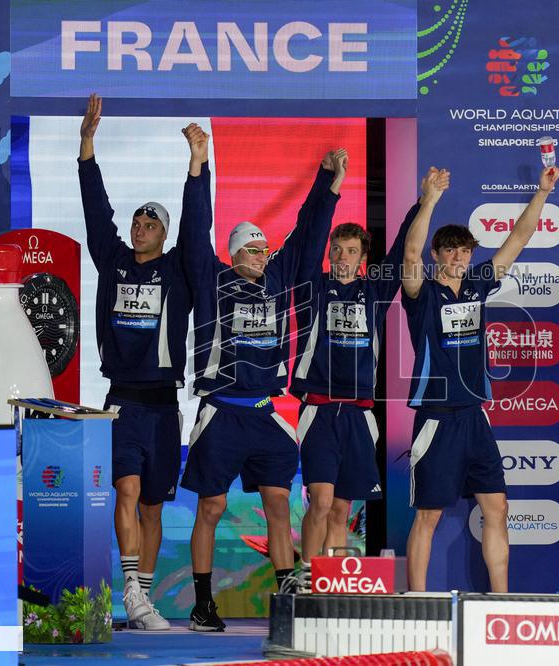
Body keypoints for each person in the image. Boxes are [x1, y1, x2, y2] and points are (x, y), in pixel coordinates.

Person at [178, 124, 346, 630]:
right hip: (222, 411)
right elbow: (193, 229)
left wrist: (328, 180)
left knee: (279, 504)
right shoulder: (212, 280)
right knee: (211, 507)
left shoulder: (276, 279)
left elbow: (308, 232)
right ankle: (204, 603)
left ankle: (288, 601)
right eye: (252, 248)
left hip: (267, 414)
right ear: (233, 253)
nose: (262, 254)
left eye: (264, 249)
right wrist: (198, 164)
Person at [281, 169, 448, 593]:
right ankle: (304, 580)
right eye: (336, 250)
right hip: (318, 410)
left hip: (359, 415)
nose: (340, 256)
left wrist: (423, 199)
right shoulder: (312, 288)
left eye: (350, 251)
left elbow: (399, 251)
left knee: (341, 507)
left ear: (362, 259)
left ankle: (329, 586)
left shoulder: (375, 290)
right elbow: (310, 237)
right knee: (319, 501)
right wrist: (331, 190)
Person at [400, 164, 559, 592]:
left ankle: (501, 600)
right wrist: (430, 200)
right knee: (429, 515)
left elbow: (518, 240)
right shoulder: (421, 293)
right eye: (450, 251)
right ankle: (418, 601)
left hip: (475, 417)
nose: (458, 258)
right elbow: (411, 255)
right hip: (436, 419)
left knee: (498, 506)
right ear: (438, 256)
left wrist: (542, 194)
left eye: (465, 251)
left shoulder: (477, 284)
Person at [78, 93, 192, 630]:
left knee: (152, 506)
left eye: (152, 221)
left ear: (165, 235)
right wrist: (87, 144)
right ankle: (129, 587)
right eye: (138, 220)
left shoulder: (178, 271)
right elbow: (95, 208)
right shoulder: (114, 260)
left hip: (165, 407)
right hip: (121, 400)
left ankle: (141, 601)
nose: (141, 225)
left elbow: (199, 229)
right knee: (124, 488)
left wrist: (198, 165)